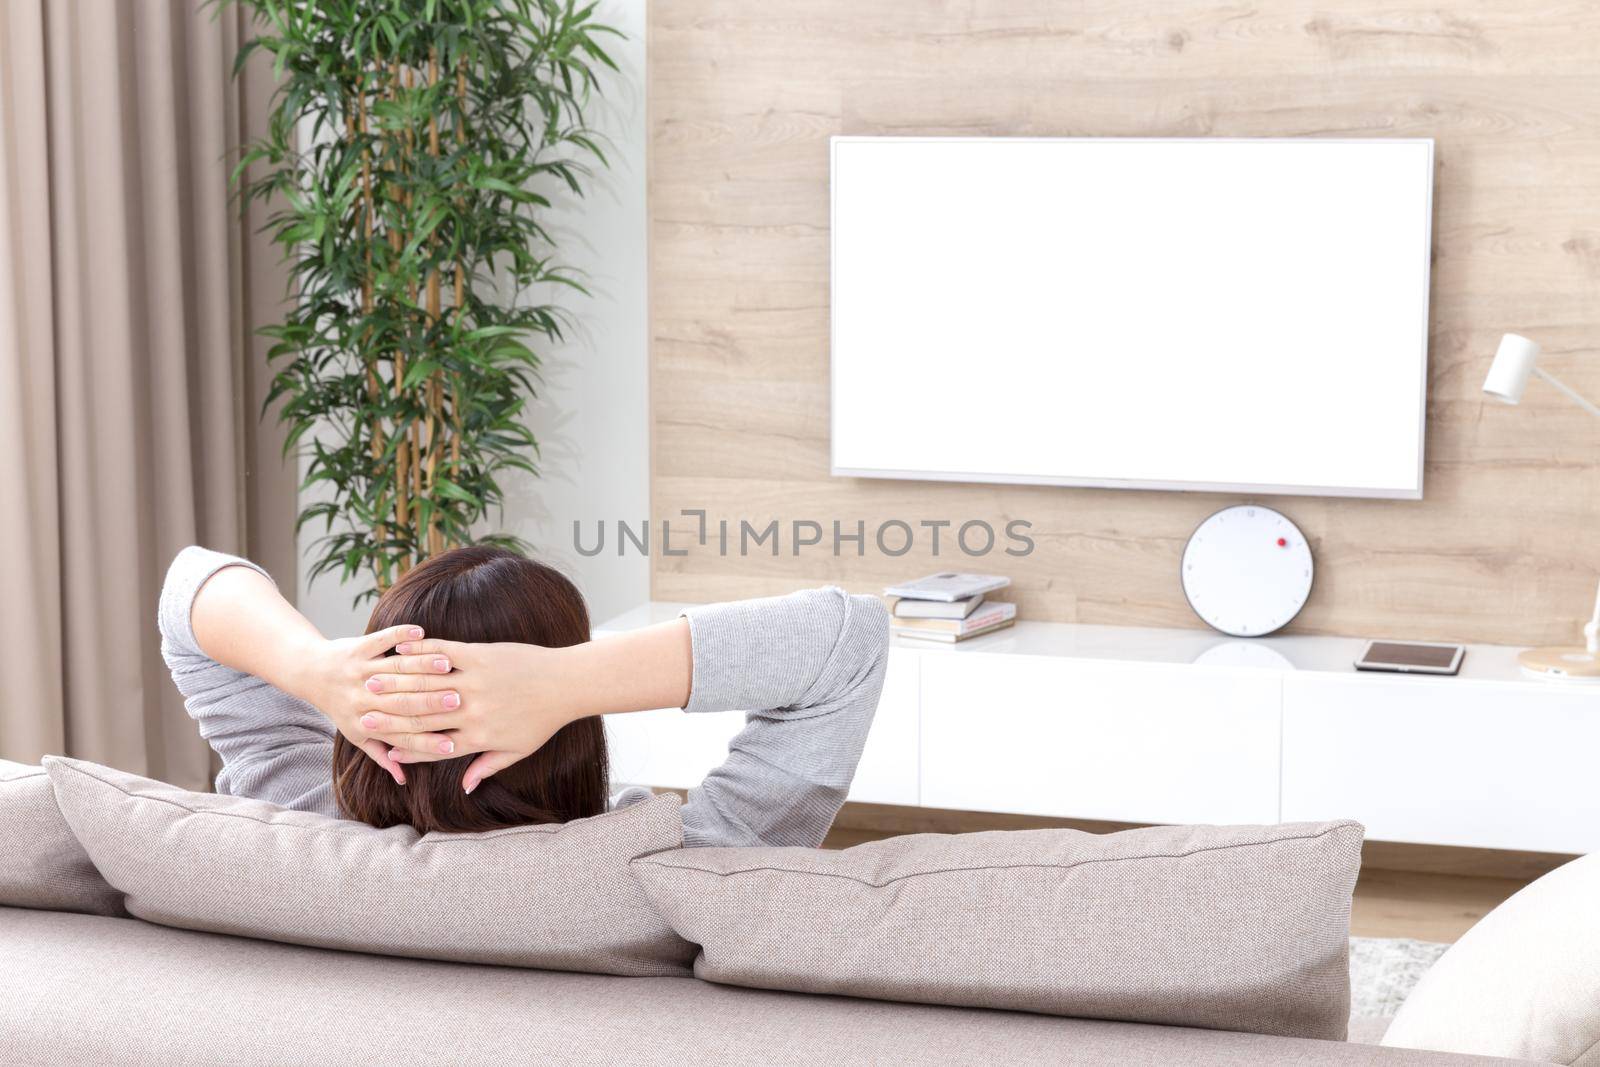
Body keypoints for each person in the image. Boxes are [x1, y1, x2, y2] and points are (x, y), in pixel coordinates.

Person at [158, 544, 890, 847]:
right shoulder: (674, 866)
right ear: (567, 727)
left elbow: (189, 584)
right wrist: (567, 680)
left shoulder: (291, 821)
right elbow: (846, 640)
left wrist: (313, 665)